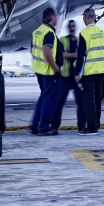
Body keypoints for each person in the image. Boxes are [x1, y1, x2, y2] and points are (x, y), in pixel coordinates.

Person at [30, 7, 63, 136]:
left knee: (43, 98)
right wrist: (56, 68)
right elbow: (47, 52)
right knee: (49, 101)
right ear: (52, 18)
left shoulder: (37, 32)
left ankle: (35, 125)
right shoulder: (49, 32)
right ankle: (44, 128)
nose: (57, 19)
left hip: (39, 70)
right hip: (49, 72)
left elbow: (32, 50)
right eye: (56, 16)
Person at [78, 8, 104, 134]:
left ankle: (91, 127)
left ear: (85, 17)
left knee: (89, 100)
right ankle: (96, 123)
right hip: (101, 69)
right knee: (97, 99)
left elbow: (80, 56)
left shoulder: (84, 33)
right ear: (95, 17)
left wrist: (77, 73)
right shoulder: (102, 32)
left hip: (89, 71)